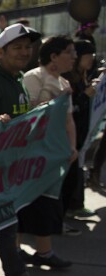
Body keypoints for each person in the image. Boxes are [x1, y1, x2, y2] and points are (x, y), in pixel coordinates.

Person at [0, 23, 58, 276]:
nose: (24, 52)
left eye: (27, 47)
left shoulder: (17, 78)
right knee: (6, 222)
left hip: (12, 167)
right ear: (2, 50)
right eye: (17, 47)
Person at [22, 34, 78, 265]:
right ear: (54, 56)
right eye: (69, 52)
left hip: (54, 154)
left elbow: (68, 121)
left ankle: (44, 252)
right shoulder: (33, 77)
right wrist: (49, 87)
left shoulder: (65, 83)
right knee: (29, 203)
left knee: (47, 203)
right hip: (33, 153)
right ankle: (19, 251)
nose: (74, 57)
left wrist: (72, 147)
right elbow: (33, 112)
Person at [65, 39, 98, 218]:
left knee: (78, 168)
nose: (90, 60)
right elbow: (71, 107)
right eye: (87, 56)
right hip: (74, 134)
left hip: (82, 132)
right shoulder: (69, 80)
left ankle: (76, 203)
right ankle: (72, 205)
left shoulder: (83, 76)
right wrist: (86, 95)